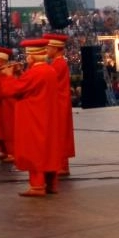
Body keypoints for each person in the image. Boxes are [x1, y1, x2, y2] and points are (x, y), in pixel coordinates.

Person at [4, 39, 63, 197]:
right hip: (47, 116)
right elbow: (30, 86)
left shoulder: (35, 73)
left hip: (34, 117)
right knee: (48, 150)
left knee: (35, 151)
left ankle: (37, 186)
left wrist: (9, 76)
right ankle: (51, 184)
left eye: (27, 55)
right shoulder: (49, 70)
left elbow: (13, 90)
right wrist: (19, 74)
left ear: (31, 56)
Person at [44, 33, 74, 175]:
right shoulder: (59, 63)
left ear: (56, 49)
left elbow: (47, 81)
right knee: (60, 133)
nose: (46, 50)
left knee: (60, 134)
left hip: (59, 103)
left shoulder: (58, 64)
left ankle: (62, 165)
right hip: (60, 102)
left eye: (48, 48)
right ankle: (61, 164)